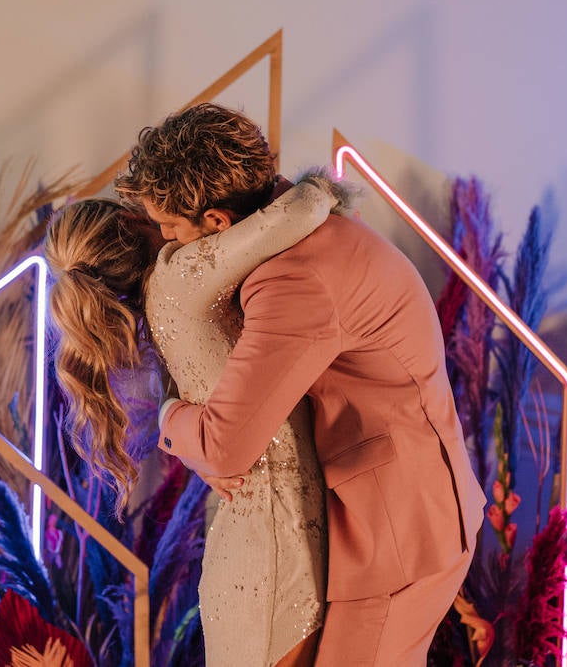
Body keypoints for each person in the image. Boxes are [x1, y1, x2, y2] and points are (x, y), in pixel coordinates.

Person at [117, 103, 487, 667]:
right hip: (404, 511)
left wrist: (166, 415)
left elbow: (225, 447)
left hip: (400, 533)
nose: (166, 247)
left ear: (217, 225)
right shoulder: (310, 227)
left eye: (170, 231)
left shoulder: (294, 281)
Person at [45, 173, 344, 666]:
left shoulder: (160, 307)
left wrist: (179, 425)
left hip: (243, 541)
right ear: (129, 217)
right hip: (280, 543)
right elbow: (305, 206)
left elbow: (164, 404)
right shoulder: (181, 274)